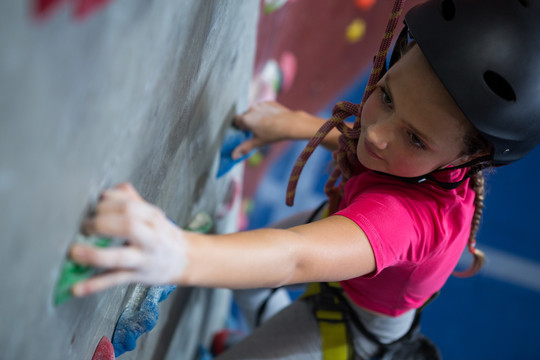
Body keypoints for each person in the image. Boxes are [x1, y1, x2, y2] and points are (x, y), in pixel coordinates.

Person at [69, 0, 540, 358]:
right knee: (248, 274)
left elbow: (294, 258)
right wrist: (291, 124)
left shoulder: (401, 222)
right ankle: (254, 322)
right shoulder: (438, 158)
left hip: (351, 324)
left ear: (471, 156)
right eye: (386, 96)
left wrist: (179, 254)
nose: (375, 132)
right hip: (361, 248)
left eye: (415, 139)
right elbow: (366, 142)